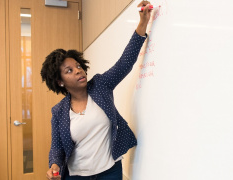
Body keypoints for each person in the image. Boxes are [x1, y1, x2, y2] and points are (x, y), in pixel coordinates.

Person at [41, 1, 152, 180]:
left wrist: (142, 23)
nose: (78, 70)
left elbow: (124, 63)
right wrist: (54, 165)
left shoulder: (100, 85)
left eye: (78, 66)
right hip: (76, 175)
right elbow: (57, 147)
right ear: (60, 82)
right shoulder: (59, 111)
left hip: (110, 171)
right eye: (69, 70)